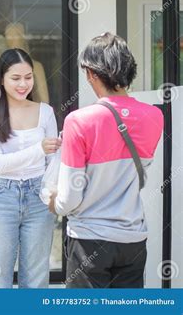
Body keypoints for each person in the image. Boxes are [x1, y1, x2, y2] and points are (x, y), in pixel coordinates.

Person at [48, 32, 164, 288]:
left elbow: (69, 200)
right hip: (133, 239)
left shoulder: (79, 121)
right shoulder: (155, 116)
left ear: (91, 73)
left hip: (89, 240)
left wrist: (52, 201)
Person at [0, 48, 61, 288]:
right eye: (16, 78)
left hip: (39, 197)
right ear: (1, 79)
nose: (23, 84)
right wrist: (39, 149)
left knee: (36, 277)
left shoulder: (45, 112)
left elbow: (52, 163)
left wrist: (52, 194)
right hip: (2, 197)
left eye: (28, 77)